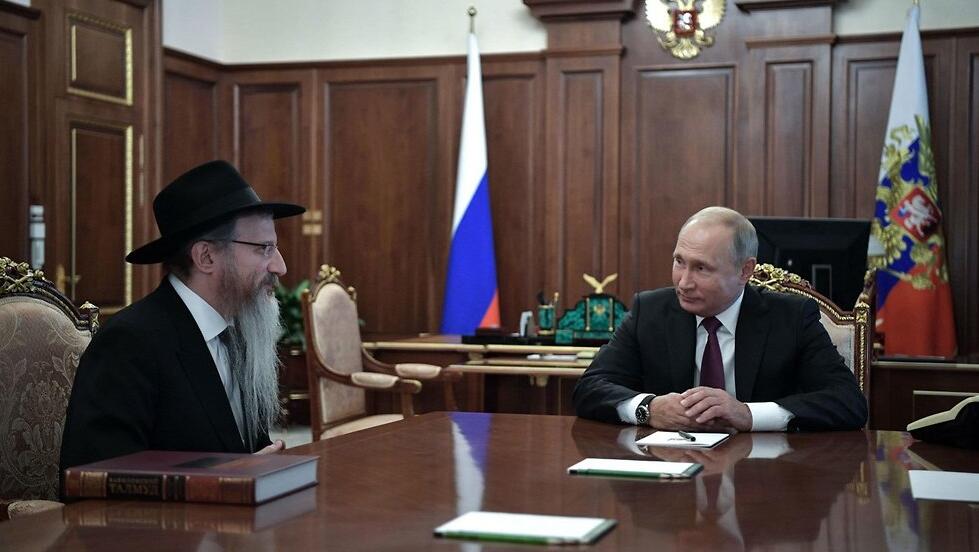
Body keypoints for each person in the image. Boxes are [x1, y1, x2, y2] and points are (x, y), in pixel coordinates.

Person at [60, 160, 306, 481]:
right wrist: (225, 477)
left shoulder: (240, 333)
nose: (280, 266)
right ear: (206, 257)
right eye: (264, 249)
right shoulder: (131, 343)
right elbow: (96, 478)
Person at [573, 206, 867, 432]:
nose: (684, 283)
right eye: (679, 262)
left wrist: (748, 414)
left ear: (744, 271)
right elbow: (590, 388)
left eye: (701, 268)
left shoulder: (791, 317)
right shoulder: (649, 311)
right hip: (669, 480)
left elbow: (848, 403)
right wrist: (649, 409)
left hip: (766, 480)